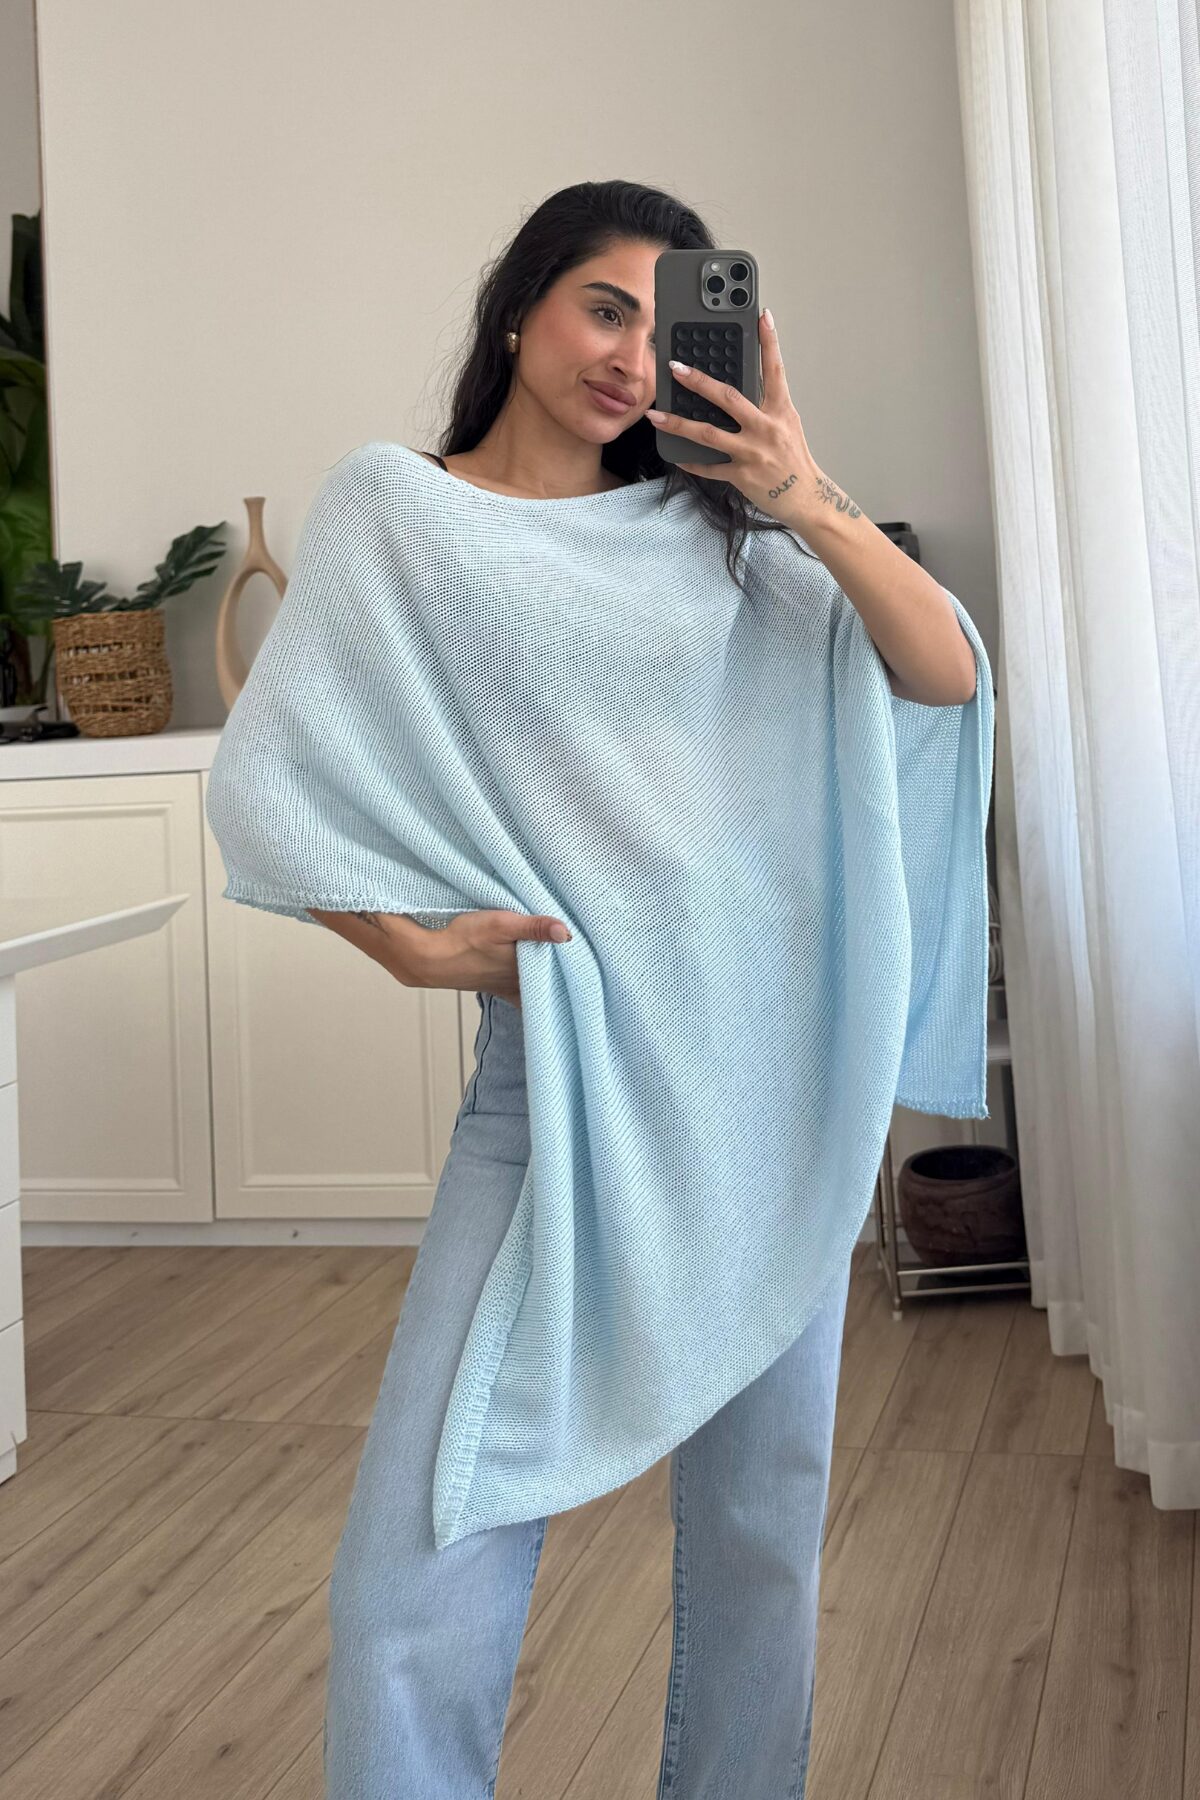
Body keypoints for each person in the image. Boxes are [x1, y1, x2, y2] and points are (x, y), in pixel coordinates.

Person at [205, 176, 991, 1799]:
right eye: (603, 307)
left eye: (661, 321)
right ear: (521, 310)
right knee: (414, 1573)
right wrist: (415, 947)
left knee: (763, 1537)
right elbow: (273, 777)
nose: (631, 356)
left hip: (774, 1086)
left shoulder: (721, 539)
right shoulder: (398, 513)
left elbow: (944, 672)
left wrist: (799, 491)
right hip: (556, 1086)